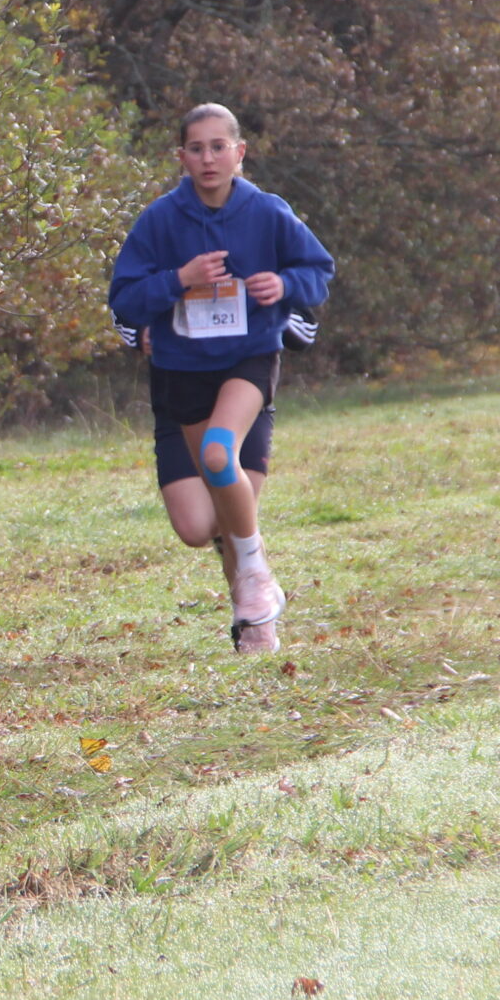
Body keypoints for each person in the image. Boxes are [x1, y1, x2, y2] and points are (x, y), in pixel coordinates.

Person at [109, 104, 334, 653]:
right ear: (181, 157)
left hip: (247, 361)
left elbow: (318, 272)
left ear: (239, 152)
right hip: (182, 371)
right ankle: (252, 588)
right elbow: (124, 299)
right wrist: (178, 280)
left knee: (217, 457)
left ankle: (256, 606)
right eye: (196, 148)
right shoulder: (159, 221)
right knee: (200, 526)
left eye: (218, 147)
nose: (208, 158)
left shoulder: (268, 212)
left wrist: (283, 286)